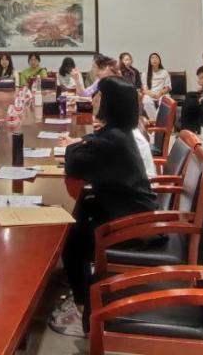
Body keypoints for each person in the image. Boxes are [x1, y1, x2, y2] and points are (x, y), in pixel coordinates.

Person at [51, 77, 158, 337]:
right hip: (124, 210)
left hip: (129, 225)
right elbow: (86, 147)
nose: (93, 100)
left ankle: (83, 311)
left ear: (110, 102)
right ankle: (81, 297)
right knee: (75, 225)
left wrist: (76, 146)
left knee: (72, 241)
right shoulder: (117, 132)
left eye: (98, 96)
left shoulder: (113, 139)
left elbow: (75, 164)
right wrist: (81, 144)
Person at [142, 53, 171, 121]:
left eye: (156, 58)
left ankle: (157, 122)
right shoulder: (145, 73)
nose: (154, 59)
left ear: (159, 61)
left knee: (165, 103)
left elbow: (168, 87)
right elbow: (144, 88)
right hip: (150, 94)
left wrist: (160, 93)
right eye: (152, 58)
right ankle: (156, 122)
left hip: (162, 94)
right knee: (146, 101)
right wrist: (151, 94)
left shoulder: (164, 72)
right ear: (150, 61)